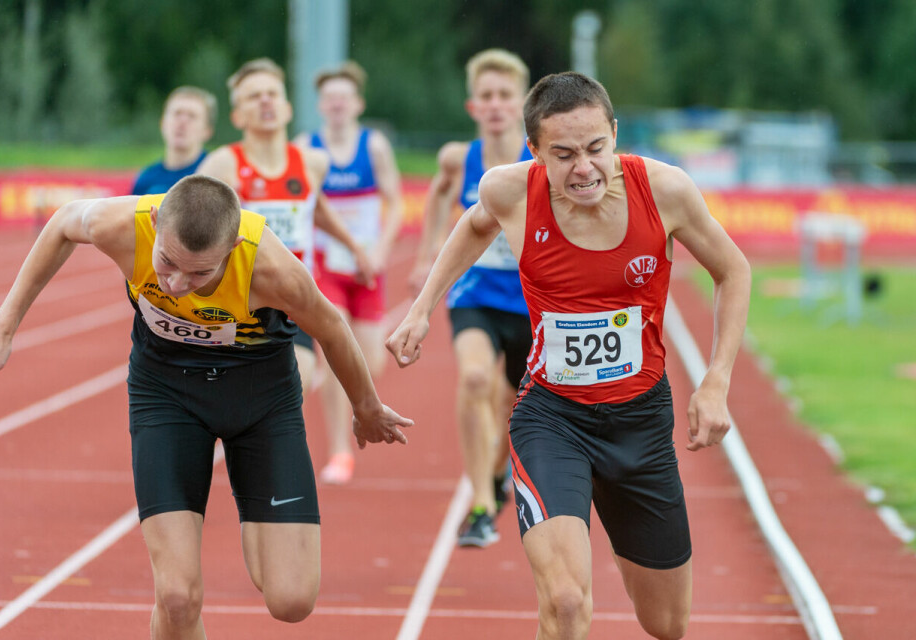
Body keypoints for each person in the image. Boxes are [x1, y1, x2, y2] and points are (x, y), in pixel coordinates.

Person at [0, 175, 413, 639]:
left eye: (200, 274)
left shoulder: (272, 270)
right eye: (168, 263)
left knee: (291, 600)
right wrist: (2, 328)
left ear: (233, 247)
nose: (176, 283)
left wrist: (367, 406)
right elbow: (61, 223)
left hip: (261, 399)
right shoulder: (124, 226)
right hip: (166, 393)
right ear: (155, 225)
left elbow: (333, 329)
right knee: (177, 597)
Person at [387, 72, 751, 639]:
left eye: (595, 149)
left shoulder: (665, 190)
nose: (583, 168)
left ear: (614, 134)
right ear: (534, 151)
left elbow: (734, 270)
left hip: (640, 423)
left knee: (667, 624)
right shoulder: (510, 190)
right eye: (563, 154)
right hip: (553, 419)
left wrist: (715, 380)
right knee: (564, 602)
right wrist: (422, 308)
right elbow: (474, 226)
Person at [408, 49, 533, 546]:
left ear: (523, 103)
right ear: (472, 106)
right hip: (475, 292)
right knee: (476, 377)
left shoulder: (540, 157)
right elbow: (439, 191)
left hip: (532, 302)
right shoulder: (458, 158)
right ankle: (480, 503)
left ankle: (498, 476)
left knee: (515, 407)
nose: (496, 105)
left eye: (505, 95)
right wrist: (427, 253)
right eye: (487, 96)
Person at [199, 57, 372, 395]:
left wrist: (354, 248)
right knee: (230, 401)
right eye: (254, 96)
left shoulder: (313, 163)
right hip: (240, 301)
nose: (265, 101)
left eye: (272, 93)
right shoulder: (221, 165)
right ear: (237, 116)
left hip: (294, 297)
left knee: (295, 387)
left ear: (287, 108)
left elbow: (316, 209)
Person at [292, 61, 403, 485]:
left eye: (344, 97)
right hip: (325, 267)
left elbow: (393, 203)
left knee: (371, 360)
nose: (337, 104)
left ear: (356, 103)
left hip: (367, 267)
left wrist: (379, 251)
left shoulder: (373, 147)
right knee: (339, 353)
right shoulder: (307, 147)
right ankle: (340, 450)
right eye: (329, 98)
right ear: (321, 105)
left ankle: (339, 383)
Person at [132, 86, 216, 195]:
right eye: (177, 113)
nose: (182, 121)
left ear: (207, 131)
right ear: (162, 123)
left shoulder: (216, 175)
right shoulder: (146, 179)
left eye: (192, 116)